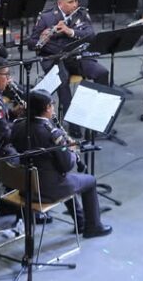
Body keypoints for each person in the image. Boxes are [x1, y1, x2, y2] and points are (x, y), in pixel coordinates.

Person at [11, 90, 112, 238]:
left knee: (64, 177)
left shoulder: (18, 125)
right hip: (46, 191)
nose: (53, 108)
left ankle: (80, 221)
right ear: (47, 108)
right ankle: (93, 227)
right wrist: (72, 151)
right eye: (52, 105)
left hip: (25, 186)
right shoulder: (52, 134)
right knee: (89, 180)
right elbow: (66, 165)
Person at [27, 0, 109, 137]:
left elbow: (90, 35)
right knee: (63, 81)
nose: (75, 4)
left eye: (76, 0)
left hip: (76, 56)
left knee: (102, 72)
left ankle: (98, 118)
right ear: (60, 3)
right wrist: (42, 39)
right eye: (71, 2)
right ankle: (73, 123)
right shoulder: (46, 17)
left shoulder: (81, 13)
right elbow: (31, 44)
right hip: (54, 59)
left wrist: (69, 31)